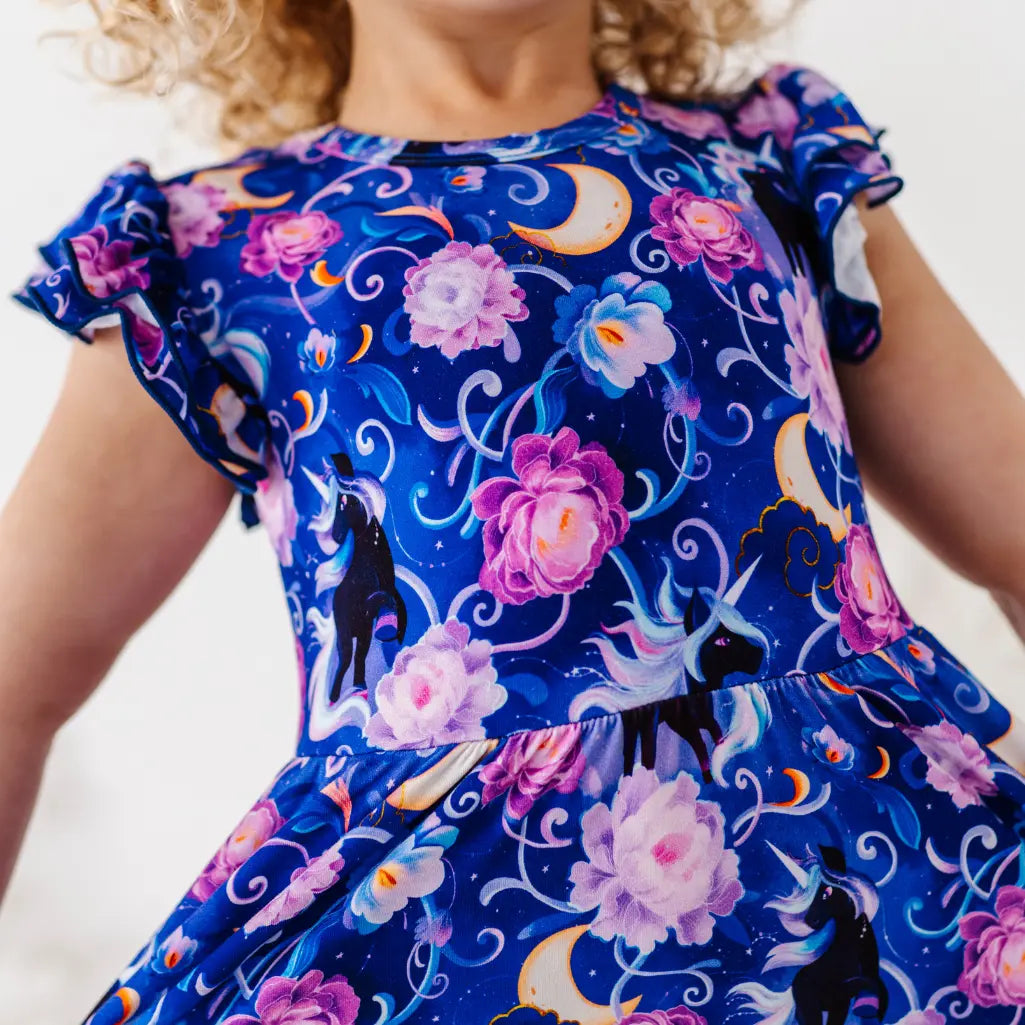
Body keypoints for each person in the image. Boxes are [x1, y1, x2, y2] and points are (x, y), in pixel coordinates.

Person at [3, 0, 1025, 1021]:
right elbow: (14, 679)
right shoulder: (217, 255)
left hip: (880, 891)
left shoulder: (766, 171)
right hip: (444, 948)